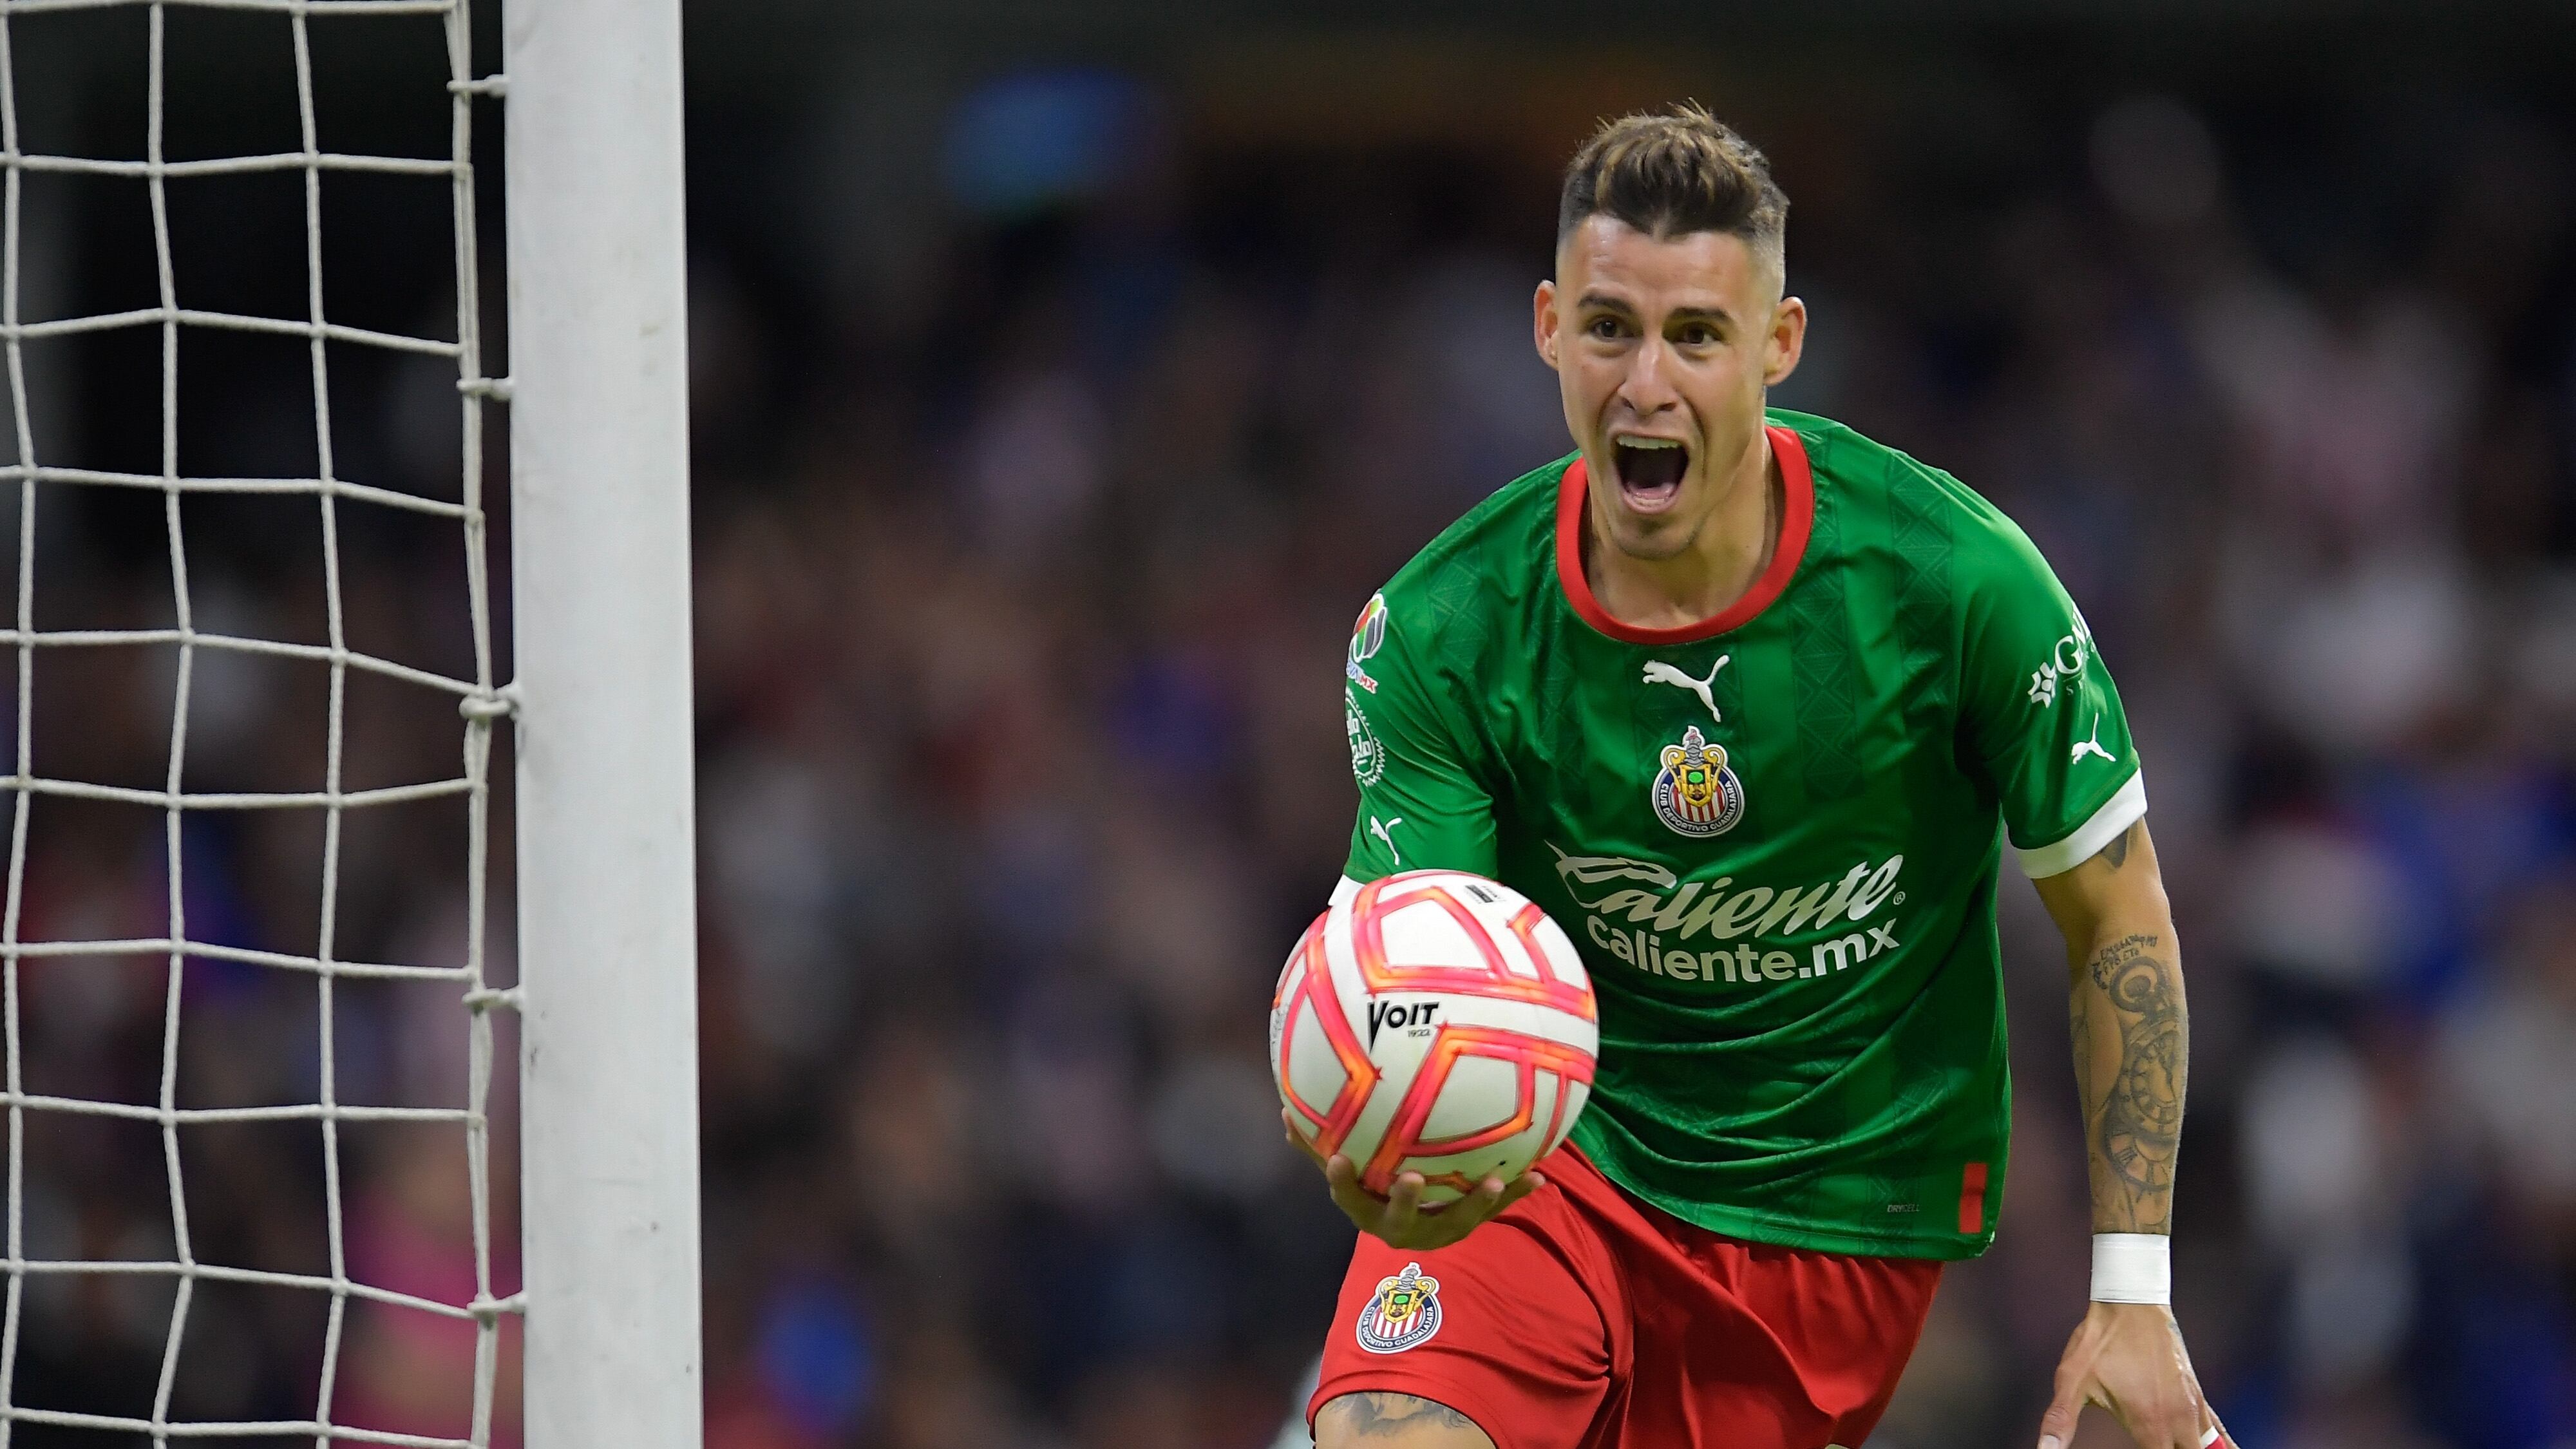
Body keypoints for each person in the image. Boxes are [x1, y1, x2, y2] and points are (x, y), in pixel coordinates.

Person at [1291, 104, 2228, 1449]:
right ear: (1548, 325)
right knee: (1391, 1428)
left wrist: (2133, 1287)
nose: (1644, 383)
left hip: (1831, 1200)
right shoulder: (1440, 632)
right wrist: (1382, 1134)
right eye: (1609, 327)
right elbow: (1416, 968)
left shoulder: (1955, 588)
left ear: (1777, 346)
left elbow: (2116, 916)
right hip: (1553, 1153)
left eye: (1695, 336)